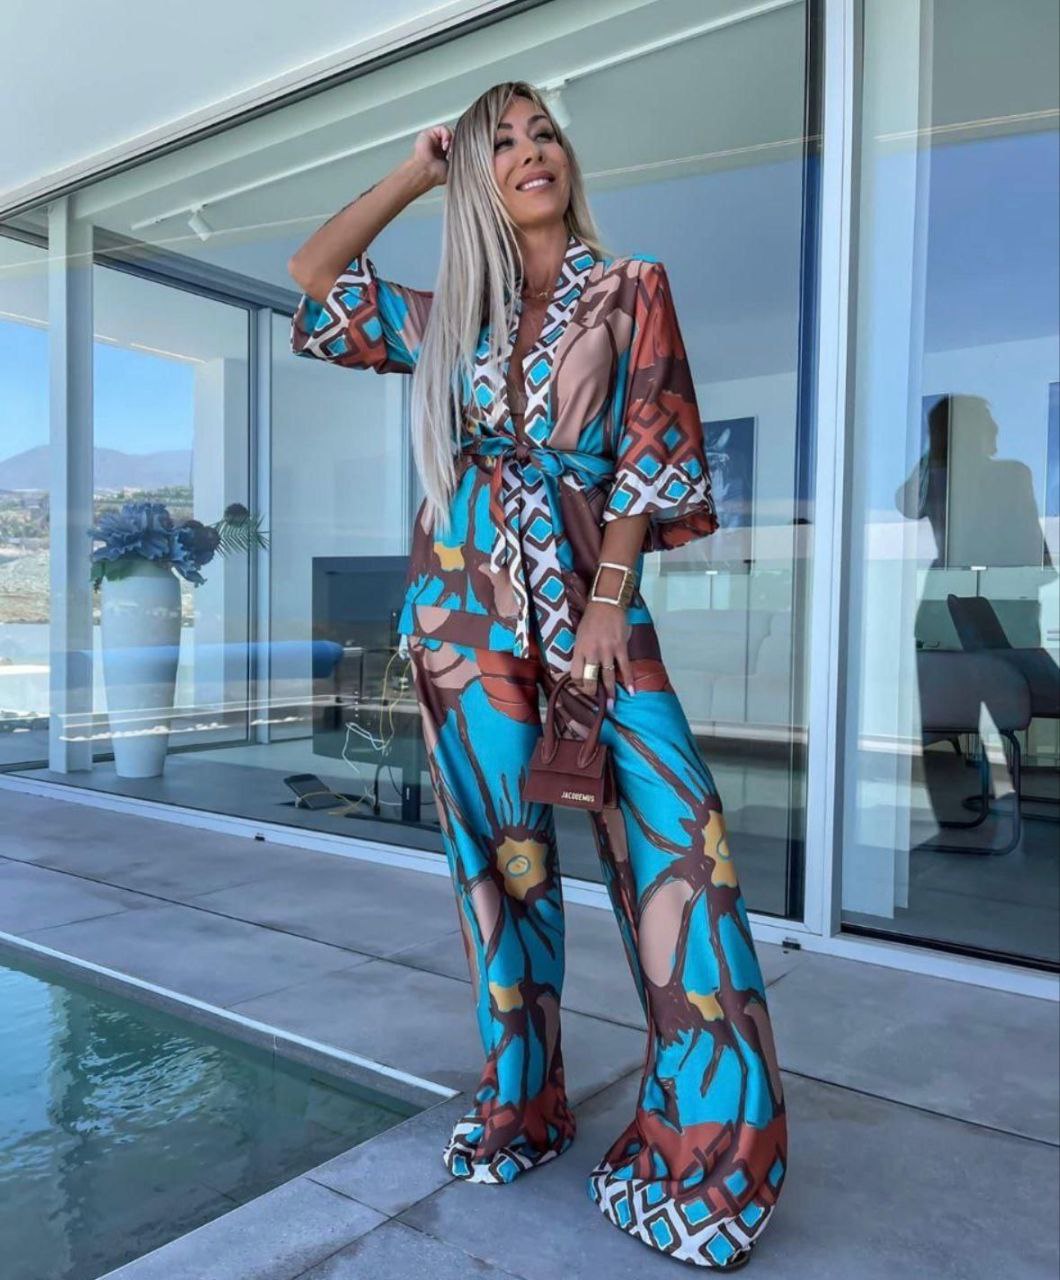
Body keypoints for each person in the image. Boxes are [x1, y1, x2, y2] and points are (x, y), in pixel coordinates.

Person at [288, 79, 787, 1272]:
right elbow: (314, 277)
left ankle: (709, 1149)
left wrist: (609, 601)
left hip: (589, 609)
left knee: (682, 851)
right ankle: (526, 1100)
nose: (529, 152)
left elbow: (649, 450)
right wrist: (419, 170)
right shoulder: (455, 317)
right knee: (498, 868)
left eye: (542, 132)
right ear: (478, 177)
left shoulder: (629, 285)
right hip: (460, 619)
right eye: (501, 143)